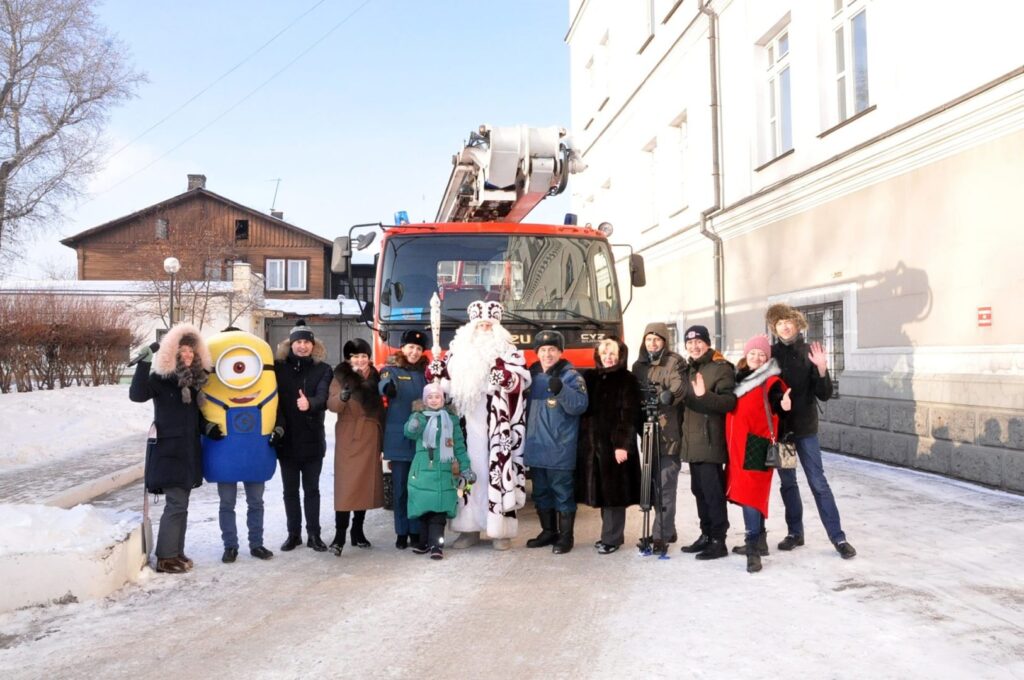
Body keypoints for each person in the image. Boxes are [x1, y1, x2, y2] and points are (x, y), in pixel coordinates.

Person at [426, 300, 531, 550]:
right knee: (466, 472)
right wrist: (435, 373)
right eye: (480, 325)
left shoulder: (507, 351)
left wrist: (504, 377)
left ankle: (501, 532)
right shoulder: (456, 354)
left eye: (489, 325)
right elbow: (441, 390)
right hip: (464, 423)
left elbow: (522, 380)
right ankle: (468, 530)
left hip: (496, 424)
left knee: (497, 473)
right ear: (471, 327)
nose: (484, 328)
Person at [766, 303, 857, 559]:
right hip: (782, 432)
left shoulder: (809, 352)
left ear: (797, 325)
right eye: (779, 322)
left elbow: (825, 394)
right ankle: (795, 532)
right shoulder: (770, 354)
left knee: (818, 482)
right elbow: (763, 391)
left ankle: (838, 537)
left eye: (788, 321)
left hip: (806, 430)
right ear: (774, 327)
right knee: (788, 483)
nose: (784, 326)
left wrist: (821, 368)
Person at [129, 323, 212, 574]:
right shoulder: (161, 379)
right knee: (176, 503)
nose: (187, 355)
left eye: (191, 352)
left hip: (187, 451)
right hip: (168, 450)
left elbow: (195, 418)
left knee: (182, 504)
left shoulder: (195, 382)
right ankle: (165, 557)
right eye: (182, 350)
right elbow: (137, 394)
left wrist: (207, 428)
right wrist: (144, 364)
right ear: (172, 353)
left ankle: (176, 551)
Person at [725, 335, 791, 573]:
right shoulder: (737, 378)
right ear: (746, 355)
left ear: (767, 358)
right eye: (752, 353)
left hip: (756, 446)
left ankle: (753, 549)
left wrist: (782, 405)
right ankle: (760, 541)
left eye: (761, 354)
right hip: (737, 447)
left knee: (751, 496)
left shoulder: (771, 381)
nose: (756, 357)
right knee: (747, 494)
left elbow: (777, 403)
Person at [523, 331, 589, 554]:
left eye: (552, 349)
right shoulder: (529, 376)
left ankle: (566, 537)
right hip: (535, 446)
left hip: (560, 447)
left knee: (562, 493)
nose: (547, 354)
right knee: (540, 492)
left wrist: (561, 390)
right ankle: (548, 531)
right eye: (543, 350)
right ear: (537, 353)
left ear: (561, 352)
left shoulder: (570, 376)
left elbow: (579, 405)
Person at [576, 337, 642, 554]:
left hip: (615, 447)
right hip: (595, 447)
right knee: (604, 493)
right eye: (604, 354)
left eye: (612, 354)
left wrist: (623, 445)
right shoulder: (591, 377)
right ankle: (611, 535)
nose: (608, 358)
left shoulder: (627, 379)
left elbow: (629, 415)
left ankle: (612, 538)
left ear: (620, 356)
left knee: (615, 494)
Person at [273, 319, 333, 553]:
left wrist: (310, 403)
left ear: (313, 345)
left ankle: (314, 535)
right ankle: (293, 534)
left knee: (312, 490)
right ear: (290, 345)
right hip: (286, 440)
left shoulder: (323, 369)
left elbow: (324, 397)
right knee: (290, 492)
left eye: (306, 342)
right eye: (298, 342)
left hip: (312, 440)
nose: (302, 346)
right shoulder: (278, 368)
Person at [679, 324, 737, 560]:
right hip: (692, 441)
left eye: (698, 341)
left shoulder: (721, 368)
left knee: (713, 493)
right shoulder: (689, 368)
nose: (694, 346)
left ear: (707, 342)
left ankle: (718, 540)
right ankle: (705, 535)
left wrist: (705, 395)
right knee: (699, 490)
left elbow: (729, 403)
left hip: (710, 440)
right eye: (690, 343)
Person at [631, 322, 686, 553]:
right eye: (649, 339)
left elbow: (680, 389)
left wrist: (667, 396)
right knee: (652, 486)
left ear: (664, 341)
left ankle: (660, 536)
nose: (652, 343)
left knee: (665, 486)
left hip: (668, 433)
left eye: (657, 339)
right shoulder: (639, 366)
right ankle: (667, 528)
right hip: (648, 432)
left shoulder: (674, 361)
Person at [326, 337, 385, 555]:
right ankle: (339, 535)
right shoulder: (341, 377)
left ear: (369, 358)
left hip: (370, 435)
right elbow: (331, 405)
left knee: (363, 486)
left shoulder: (378, 377)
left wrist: (384, 441)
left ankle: (357, 532)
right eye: (355, 357)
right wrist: (341, 398)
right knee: (346, 487)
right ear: (348, 360)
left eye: (364, 356)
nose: (360, 360)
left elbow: (383, 409)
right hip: (349, 436)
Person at [403, 382, 474, 559]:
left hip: (445, 469)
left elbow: (459, 446)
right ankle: (424, 542)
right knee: (424, 508)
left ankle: (437, 545)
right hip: (423, 468)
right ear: (424, 400)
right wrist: (412, 426)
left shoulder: (451, 420)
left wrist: (465, 468)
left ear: (443, 400)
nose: (434, 400)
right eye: (430, 397)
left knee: (439, 511)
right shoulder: (418, 416)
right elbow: (409, 433)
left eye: (437, 397)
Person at [378, 329, 429, 550]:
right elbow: (384, 384)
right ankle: (401, 532)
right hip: (399, 439)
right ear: (402, 348)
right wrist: (387, 389)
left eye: (418, 348)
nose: (414, 352)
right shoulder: (392, 370)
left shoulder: (427, 373)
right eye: (410, 347)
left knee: (417, 488)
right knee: (400, 489)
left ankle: (416, 531)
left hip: (421, 440)